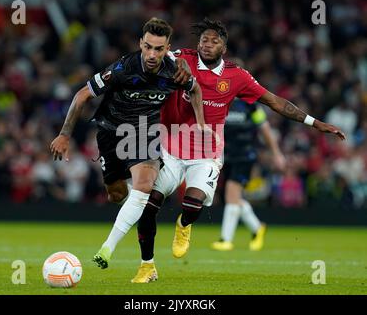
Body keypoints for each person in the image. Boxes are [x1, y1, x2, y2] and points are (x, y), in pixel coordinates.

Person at [131, 18, 346, 283]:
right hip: (171, 148)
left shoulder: (237, 76)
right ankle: (146, 266)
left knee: (193, 203)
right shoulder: (180, 57)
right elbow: (152, 56)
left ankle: (184, 224)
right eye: (204, 40)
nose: (207, 45)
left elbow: (275, 102)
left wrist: (315, 123)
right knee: (149, 205)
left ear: (224, 47)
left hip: (207, 153)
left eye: (214, 41)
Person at [49, 17, 204, 269]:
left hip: (145, 131)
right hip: (111, 132)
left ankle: (106, 249)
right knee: (116, 193)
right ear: (140, 43)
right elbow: (81, 95)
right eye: (148, 47)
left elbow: (195, 89)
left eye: (158, 48)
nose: (152, 54)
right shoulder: (123, 68)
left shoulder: (176, 71)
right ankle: (136, 204)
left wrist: (200, 122)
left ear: (167, 48)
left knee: (144, 184)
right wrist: (65, 134)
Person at [211, 98, 286, 252]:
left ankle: (226, 239)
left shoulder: (250, 105)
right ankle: (257, 228)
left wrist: (276, 153)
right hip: (225, 156)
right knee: (235, 197)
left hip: (244, 156)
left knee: (231, 194)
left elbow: (264, 128)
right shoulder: (220, 101)